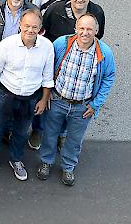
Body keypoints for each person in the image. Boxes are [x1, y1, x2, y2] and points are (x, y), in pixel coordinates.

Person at [37, 14, 115, 186]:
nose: (85, 33)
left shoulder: (105, 52)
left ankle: (68, 167)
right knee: (49, 134)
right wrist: (47, 93)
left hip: (82, 106)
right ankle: (46, 162)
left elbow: (109, 78)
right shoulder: (61, 44)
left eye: (89, 29)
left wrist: (96, 105)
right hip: (57, 100)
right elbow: (48, 67)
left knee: (74, 139)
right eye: (81, 28)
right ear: (75, 29)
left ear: (96, 31)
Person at [0, 10, 54, 181]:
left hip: (30, 97)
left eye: (35, 27)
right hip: (5, 94)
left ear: (40, 28)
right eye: (27, 26)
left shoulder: (47, 47)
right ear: (20, 24)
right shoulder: (6, 45)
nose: (30, 30)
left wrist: (43, 99)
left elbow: (47, 76)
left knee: (21, 131)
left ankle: (16, 159)